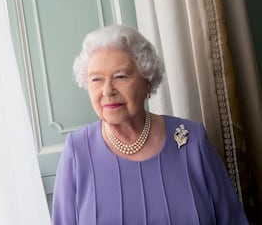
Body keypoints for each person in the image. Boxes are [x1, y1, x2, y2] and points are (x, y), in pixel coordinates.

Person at [52, 25, 248, 224]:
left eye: (120, 76)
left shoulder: (192, 140)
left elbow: (232, 220)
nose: (107, 90)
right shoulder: (77, 151)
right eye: (96, 79)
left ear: (148, 81)